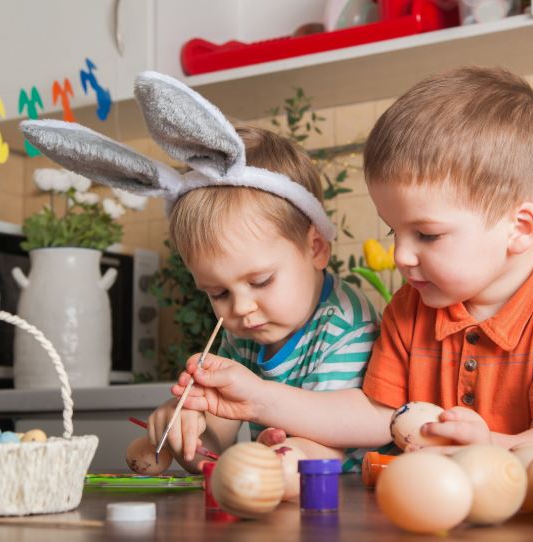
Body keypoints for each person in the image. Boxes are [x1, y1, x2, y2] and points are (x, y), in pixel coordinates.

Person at [172, 66, 533, 453]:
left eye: (427, 234)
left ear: (518, 229)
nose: (401, 255)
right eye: (393, 230)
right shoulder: (409, 308)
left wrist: (486, 446)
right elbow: (376, 418)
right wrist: (259, 398)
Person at [147, 125, 383, 472]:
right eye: (219, 293)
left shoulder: (347, 324)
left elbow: (334, 446)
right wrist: (189, 429)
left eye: (261, 281)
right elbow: (215, 444)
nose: (240, 308)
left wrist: (267, 455)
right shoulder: (242, 334)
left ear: (315, 248)